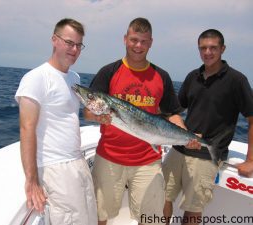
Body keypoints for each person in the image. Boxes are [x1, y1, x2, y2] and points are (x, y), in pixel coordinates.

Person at [84, 17, 191, 225]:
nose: (138, 46)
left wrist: (186, 135)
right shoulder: (109, 71)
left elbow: (173, 113)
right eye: (134, 40)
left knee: (150, 219)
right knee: (101, 215)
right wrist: (99, 116)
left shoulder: (162, 76)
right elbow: (88, 112)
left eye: (143, 41)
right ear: (125, 39)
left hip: (148, 161)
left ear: (151, 42)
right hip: (109, 158)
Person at [162, 29, 253, 225]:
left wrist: (250, 160)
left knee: (192, 212)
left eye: (213, 48)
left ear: (223, 49)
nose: (208, 52)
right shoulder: (192, 76)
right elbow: (175, 111)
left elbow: (252, 119)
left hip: (207, 155)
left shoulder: (237, 80)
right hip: (179, 148)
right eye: (203, 48)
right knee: (161, 199)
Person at [15, 18, 97, 225]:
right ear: (54, 40)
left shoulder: (74, 78)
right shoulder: (36, 78)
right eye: (69, 42)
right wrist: (32, 181)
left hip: (77, 162)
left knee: (88, 218)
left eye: (79, 45)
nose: (75, 49)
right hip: (55, 168)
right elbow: (27, 129)